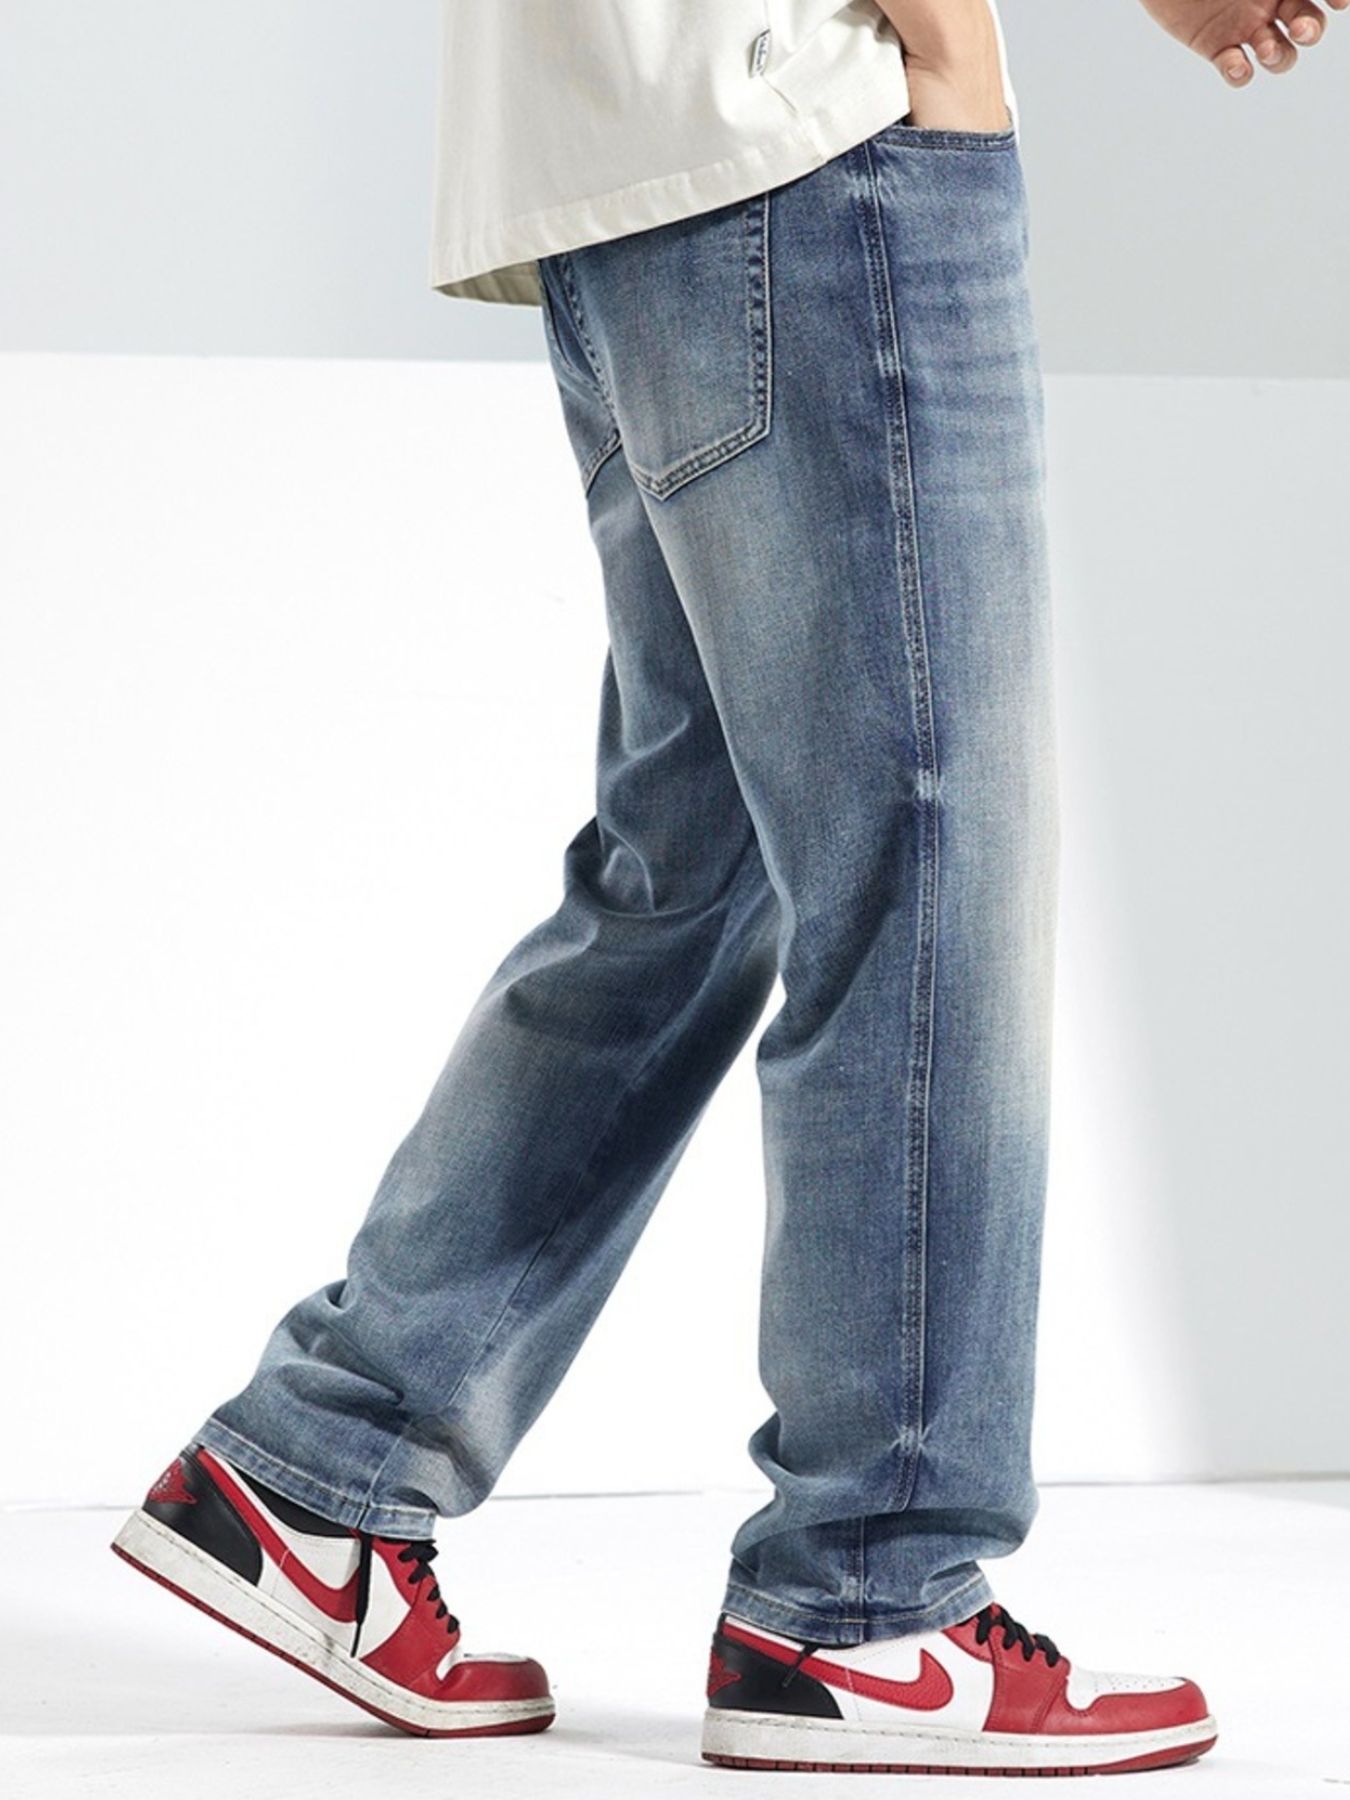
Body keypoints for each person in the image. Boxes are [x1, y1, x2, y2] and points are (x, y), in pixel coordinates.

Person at [111, 0, 1341, 1774]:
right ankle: (868, 1599)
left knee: (694, 873)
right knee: (925, 866)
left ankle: (323, 1465)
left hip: (635, 161)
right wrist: (947, 53)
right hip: (812, 143)